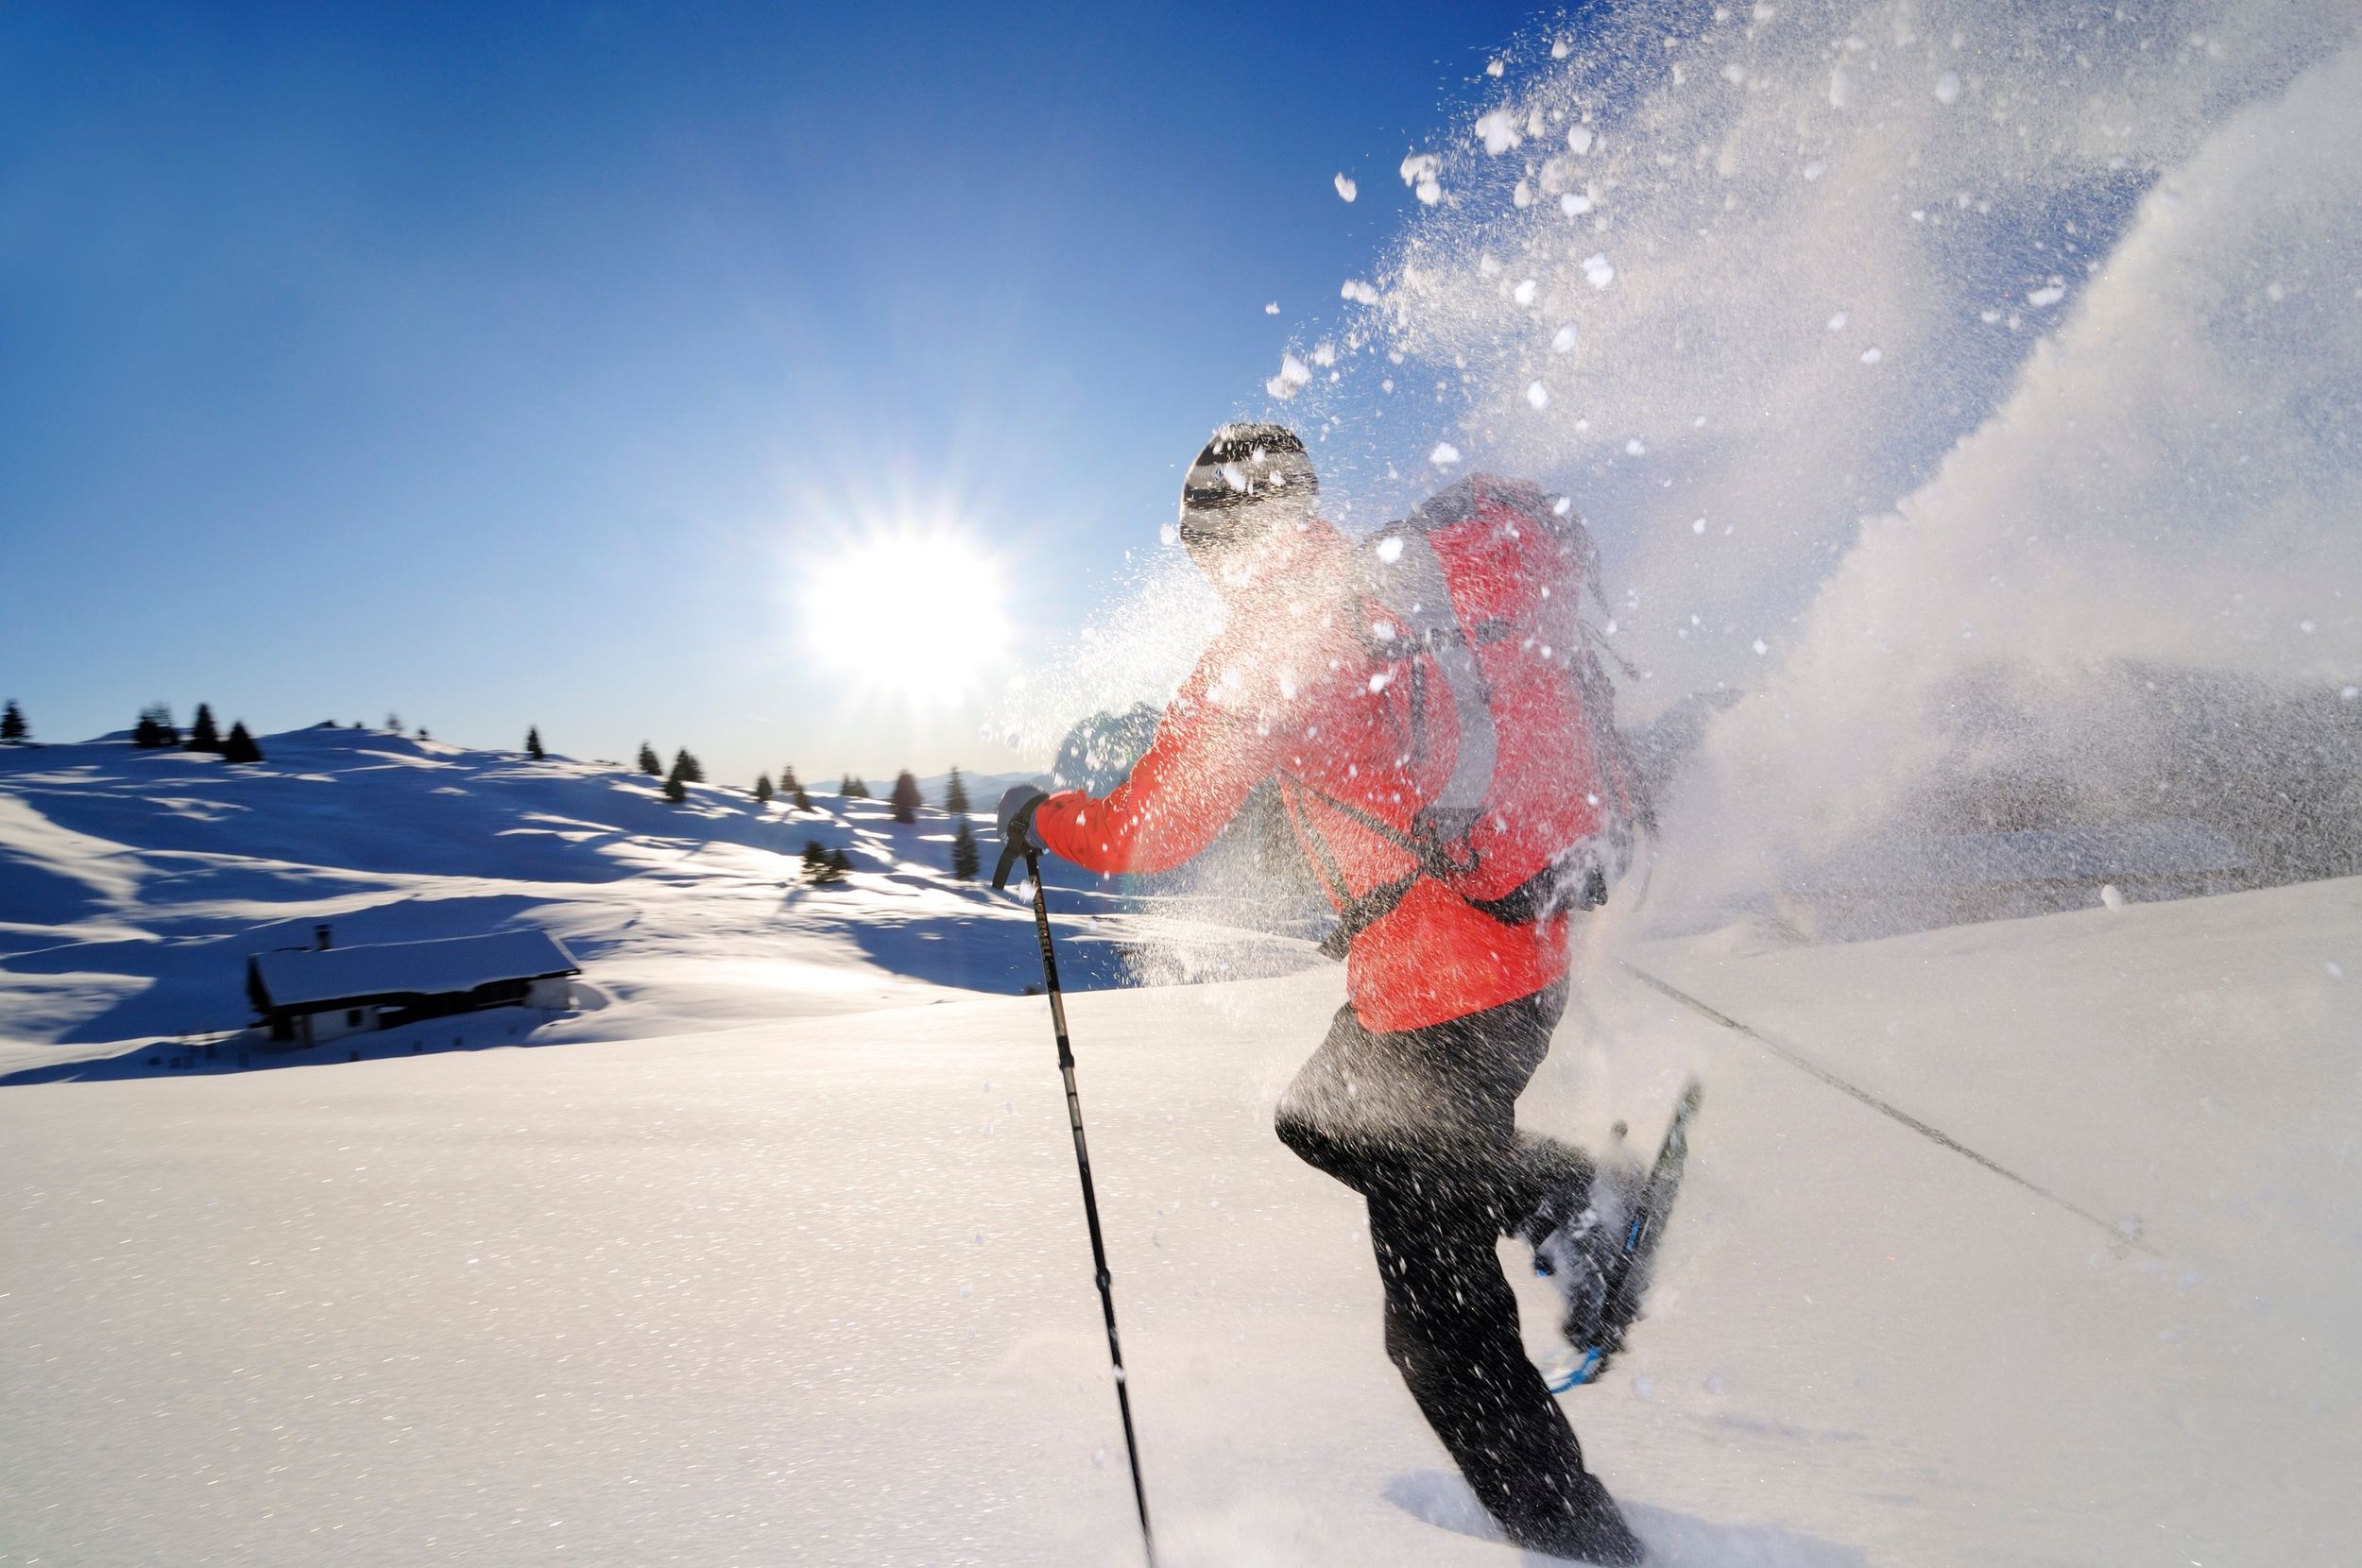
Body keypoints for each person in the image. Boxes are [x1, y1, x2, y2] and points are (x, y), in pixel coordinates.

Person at [999, 424, 1646, 1562]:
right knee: (1318, 1111)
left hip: (1447, 988)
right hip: (1513, 944)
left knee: (1441, 1341)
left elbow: (1152, 828)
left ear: (1217, 538)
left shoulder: (1271, 647)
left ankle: (1586, 1545)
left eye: (1202, 540)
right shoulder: (1386, 590)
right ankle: (1569, 1193)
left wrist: (1042, 818)